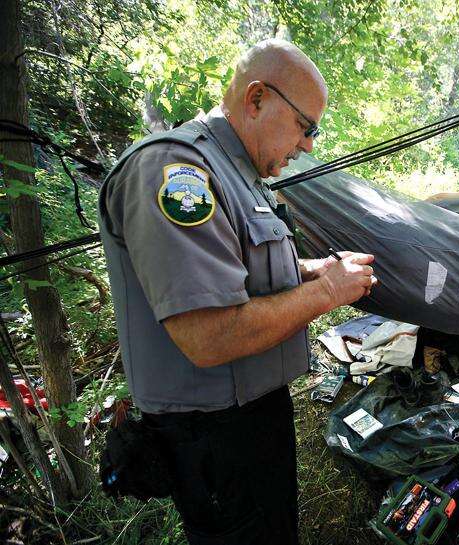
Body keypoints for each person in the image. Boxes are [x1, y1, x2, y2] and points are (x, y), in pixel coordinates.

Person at [98, 39, 376, 545]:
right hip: (211, 435)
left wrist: (316, 270)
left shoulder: (241, 175)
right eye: (305, 126)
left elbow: (244, 272)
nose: (309, 144)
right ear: (256, 99)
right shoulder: (175, 172)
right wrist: (327, 293)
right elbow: (208, 335)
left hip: (253, 413)